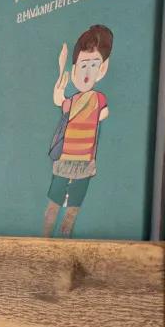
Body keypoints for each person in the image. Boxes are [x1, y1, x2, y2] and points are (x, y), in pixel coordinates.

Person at [43, 24, 113, 237]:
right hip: (64, 161)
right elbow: (59, 100)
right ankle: (45, 239)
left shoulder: (99, 99)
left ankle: (64, 239)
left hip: (84, 164)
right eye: (83, 65)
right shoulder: (72, 101)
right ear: (74, 70)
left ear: (102, 69)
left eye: (94, 65)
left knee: (72, 209)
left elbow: (104, 113)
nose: (87, 72)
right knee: (54, 205)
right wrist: (59, 86)